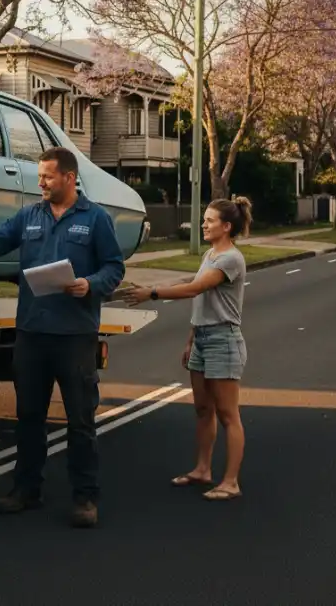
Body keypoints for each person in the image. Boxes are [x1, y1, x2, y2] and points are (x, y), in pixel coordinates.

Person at [0, 146, 125, 528]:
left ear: (69, 177)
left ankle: (85, 497)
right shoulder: (29, 215)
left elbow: (114, 267)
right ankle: (26, 489)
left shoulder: (95, 219)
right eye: (40, 178)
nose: (42, 184)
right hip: (32, 333)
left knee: (80, 420)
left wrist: (90, 284)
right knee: (29, 417)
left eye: (48, 177)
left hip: (74, 336)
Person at [114, 196, 252, 501]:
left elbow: (195, 288)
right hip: (203, 337)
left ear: (227, 226)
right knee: (203, 410)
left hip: (223, 339)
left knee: (228, 414)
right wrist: (191, 339)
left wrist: (152, 292)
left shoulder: (230, 258)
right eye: (204, 219)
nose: (204, 224)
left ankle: (231, 482)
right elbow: (203, 302)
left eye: (210, 220)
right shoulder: (211, 254)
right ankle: (203, 469)